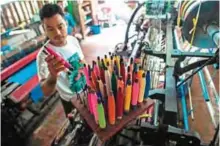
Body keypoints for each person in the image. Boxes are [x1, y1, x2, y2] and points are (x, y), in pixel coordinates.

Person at [37, 3, 86, 127]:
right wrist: (52, 76)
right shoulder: (44, 55)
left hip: (87, 92)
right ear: (44, 29)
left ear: (66, 23)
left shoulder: (73, 40)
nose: (58, 33)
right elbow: (46, 91)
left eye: (60, 26)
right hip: (71, 102)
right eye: (50, 29)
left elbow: (83, 62)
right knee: (79, 130)